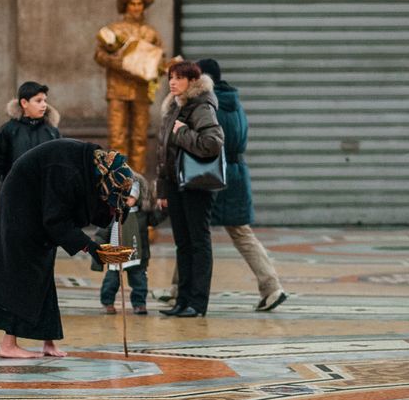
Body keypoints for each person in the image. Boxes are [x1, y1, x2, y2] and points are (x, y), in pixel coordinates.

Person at [0, 139, 133, 358]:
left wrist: (117, 211)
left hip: (39, 207)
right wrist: (91, 248)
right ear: (104, 181)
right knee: (17, 275)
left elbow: (95, 202)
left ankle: (48, 342)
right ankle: (7, 344)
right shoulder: (68, 172)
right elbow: (56, 221)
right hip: (20, 210)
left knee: (42, 275)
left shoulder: (93, 169)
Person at [198, 58, 287, 311]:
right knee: (229, 232)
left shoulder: (210, 105)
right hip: (236, 174)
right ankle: (272, 287)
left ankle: (272, 286)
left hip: (215, 174)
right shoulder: (234, 102)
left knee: (198, 232)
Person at [155, 61, 224, 318]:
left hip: (197, 184)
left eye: (178, 78)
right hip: (176, 184)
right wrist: (162, 190)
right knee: (182, 244)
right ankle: (182, 300)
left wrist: (183, 132)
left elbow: (212, 143)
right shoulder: (174, 105)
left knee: (198, 242)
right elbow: (163, 152)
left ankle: (197, 302)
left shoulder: (201, 105)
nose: (172, 82)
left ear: (192, 81)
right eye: (170, 77)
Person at [94, 0, 166, 173]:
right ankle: (118, 178)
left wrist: (162, 68)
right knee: (117, 135)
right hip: (117, 88)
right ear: (125, 6)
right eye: (132, 3)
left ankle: (137, 178)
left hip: (141, 89)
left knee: (140, 136)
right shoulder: (114, 29)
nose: (136, 7)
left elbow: (160, 58)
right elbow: (99, 54)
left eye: (139, 4)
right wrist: (117, 62)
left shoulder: (151, 33)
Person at [94, 174, 164, 315]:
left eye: (131, 198)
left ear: (138, 197)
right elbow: (102, 234)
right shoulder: (113, 213)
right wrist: (98, 254)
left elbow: (155, 220)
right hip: (115, 252)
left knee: (139, 281)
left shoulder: (142, 214)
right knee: (111, 281)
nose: (127, 201)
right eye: (124, 197)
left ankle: (139, 304)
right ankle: (107, 302)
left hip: (137, 254)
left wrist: (162, 209)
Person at [0, 80, 61, 183]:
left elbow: (61, 163)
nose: (44, 105)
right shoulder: (9, 130)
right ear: (24, 103)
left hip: (45, 193)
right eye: (38, 101)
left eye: (45, 101)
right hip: (16, 192)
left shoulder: (52, 131)